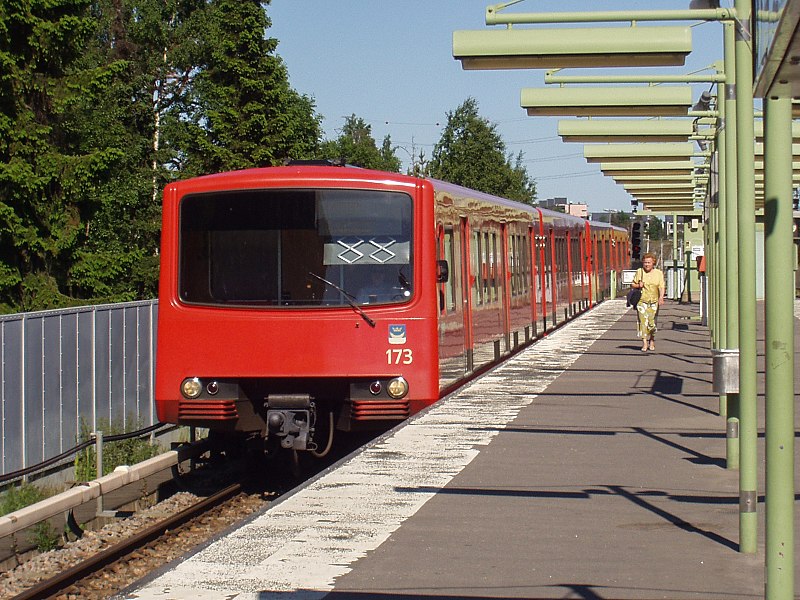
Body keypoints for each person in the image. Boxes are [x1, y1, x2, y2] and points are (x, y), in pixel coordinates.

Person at [631, 252, 666, 351]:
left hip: (654, 301)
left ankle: (652, 340)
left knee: (652, 323)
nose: (647, 264)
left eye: (649, 262)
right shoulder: (640, 272)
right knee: (642, 322)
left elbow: (662, 286)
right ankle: (645, 343)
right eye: (645, 262)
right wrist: (638, 285)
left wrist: (661, 298)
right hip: (642, 301)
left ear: (653, 263)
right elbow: (633, 284)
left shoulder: (658, 273)